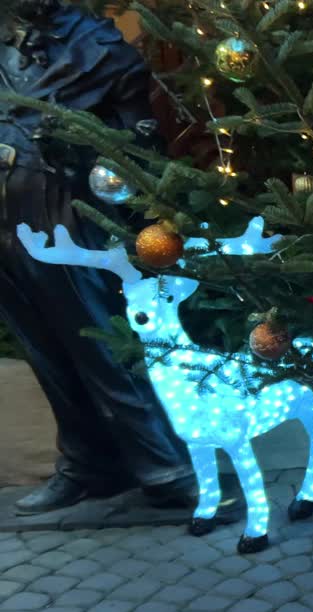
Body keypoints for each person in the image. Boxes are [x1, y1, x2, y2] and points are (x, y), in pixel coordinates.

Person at [0, 0, 196, 513]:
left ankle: (165, 465)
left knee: (98, 339)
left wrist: (83, 150)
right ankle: (88, 465)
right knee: (44, 350)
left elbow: (143, 140)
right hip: (5, 214)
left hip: (64, 209)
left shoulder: (98, 45)